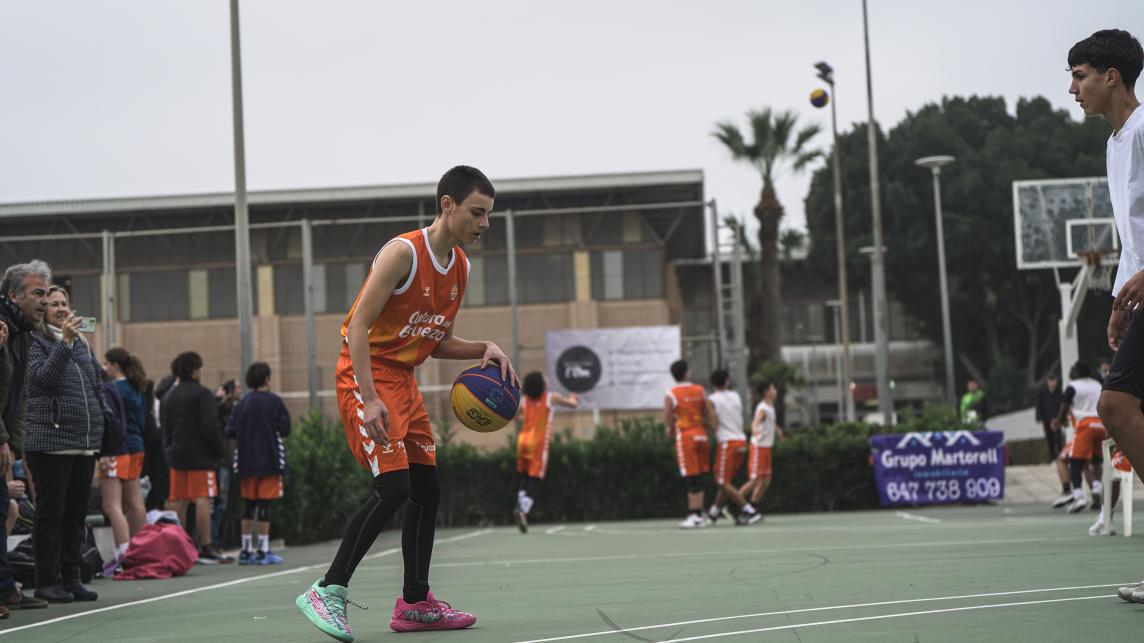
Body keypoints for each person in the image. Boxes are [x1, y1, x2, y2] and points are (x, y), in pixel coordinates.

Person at [296, 166, 511, 639]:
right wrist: (370, 398)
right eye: (478, 212)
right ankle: (327, 589)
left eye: (488, 215)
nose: (485, 223)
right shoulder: (403, 253)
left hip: (404, 381)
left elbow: (434, 341)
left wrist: (484, 348)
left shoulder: (461, 267)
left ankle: (415, 602)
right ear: (447, 205)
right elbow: (357, 326)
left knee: (426, 490)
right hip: (366, 374)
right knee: (392, 487)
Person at [1067, 29, 1144, 604]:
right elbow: (1132, 236)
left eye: (1080, 76)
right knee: (1119, 406)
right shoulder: (1116, 143)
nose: (1073, 89)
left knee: (1114, 405)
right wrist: (1120, 301)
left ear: (1110, 77)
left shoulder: (1143, 131)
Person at [23, 285, 104, 602]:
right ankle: (46, 580)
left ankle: (72, 577)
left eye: (64, 303)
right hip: (50, 441)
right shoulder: (34, 340)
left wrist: (103, 425)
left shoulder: (81, 342)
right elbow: (43, 380)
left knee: (75, 515)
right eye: (53, 303)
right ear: (43, 310)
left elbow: (96, 384)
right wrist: (65, 342)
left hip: (84, 442)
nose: (60, 308)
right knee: (50, 513)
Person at [0, 260, 53, 614]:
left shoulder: (23, 333)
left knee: (3, 508)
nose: (45, 301)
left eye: (46, 294)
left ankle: (5, 589)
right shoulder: (4, 328)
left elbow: (19, 396)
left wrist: (13, 445)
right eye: (38, 294)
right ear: (13, 296)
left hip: (4, 439)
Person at [162, 351, 230, 564]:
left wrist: (169, 450)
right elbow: (209, 427)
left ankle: (179, 545)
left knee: (179, 500)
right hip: (201, 456)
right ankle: (206, 546)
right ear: (194, 370)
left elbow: (166, 427)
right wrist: (218, 450)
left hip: (177, 454)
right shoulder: (202, 394)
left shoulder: (169, 395)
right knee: (204, 498)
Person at [226, 362, 290, 565]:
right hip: (270, 460)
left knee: (248, 504)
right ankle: (263, 550)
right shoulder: (274, 401)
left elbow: (230, 430)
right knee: (264, 504)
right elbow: (286, 429)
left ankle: (246, 550)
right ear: (267, 379)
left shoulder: (242, 403)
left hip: (245, 461)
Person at [513, 372, 578, 533]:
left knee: (525, 476)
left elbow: (515, 417)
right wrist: (573, 397)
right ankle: (523, 511)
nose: (547, 380)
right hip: (538, 443)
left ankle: (520, 505)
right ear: (541, 383)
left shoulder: (524, 400)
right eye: (545, 378)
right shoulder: (551, 398)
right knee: (535, 478)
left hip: (523, 441)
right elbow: (572, 405)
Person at [100, 348, 148, 562]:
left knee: (114, 505)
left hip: (119, 446)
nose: (105, 368)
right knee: (135, 502)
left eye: (107, 364)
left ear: (115, 365)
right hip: (137, 444)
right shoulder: (135, 386)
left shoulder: (114, 389)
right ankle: (141, 548)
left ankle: (124, 553)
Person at [704, 370, 761, 526]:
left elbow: (714, 425)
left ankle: (749, 510)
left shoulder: (711, 400)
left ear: (712, 383)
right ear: (728, 381)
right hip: (741, 441)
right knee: (726, 482)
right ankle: (713, 513)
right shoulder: (736, 396)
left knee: (722, 482)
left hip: (727, 443)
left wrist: (701, 421)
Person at [664, 359, 715, 529]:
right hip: (701, 435)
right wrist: (709, 426)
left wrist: (670, 428)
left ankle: (695, 515)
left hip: (686, 437)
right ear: (687, 373)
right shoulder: (700, 390)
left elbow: (668, 416)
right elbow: (706, 411)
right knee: (699, 476)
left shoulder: (671, 394)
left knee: (691, 478)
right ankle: (700, 512)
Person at [1058, 361, 1106, 514]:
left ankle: (1078, 495)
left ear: (1078, 372)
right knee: (1096, 460)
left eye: (1073, 369)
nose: (1071, 371)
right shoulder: (1097, 384)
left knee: (1075, 461)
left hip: (1085, 424)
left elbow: (1064, 407)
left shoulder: (1073, 386)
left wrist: (1060, 421)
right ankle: (1096, 489)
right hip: (1101, 424)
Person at [740, 381, 784, 510]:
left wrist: (778, 430)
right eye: (773, 388)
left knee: (766, 481)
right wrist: (755, 430)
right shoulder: (763, 408)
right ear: (766, 392)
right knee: (755, 480)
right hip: (758, 447)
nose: (775, 390)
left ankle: (752, 507)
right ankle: (734, 503)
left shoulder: (770, 407)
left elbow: (770, 422)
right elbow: (755, 422)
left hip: (766, 447)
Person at [212, 379, 240, 551]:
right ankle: (214, 538)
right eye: (236, 388)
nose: (239, 391)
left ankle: (225, 538)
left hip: (232, 461)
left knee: (229, 503)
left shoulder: (236, 408)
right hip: (223, 461)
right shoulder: (218, 408)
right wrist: (222, 401)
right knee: (220, 502)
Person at [1036, 374, 1065, 462]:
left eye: (1053, 381)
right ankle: (1053, 458)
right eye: (1050, 381)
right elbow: (1039, 405)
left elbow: (1063, 404)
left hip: (1057, 419)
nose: (1052, 383)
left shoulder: (1060, 391)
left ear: (1056, 381)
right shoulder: (1042, 392)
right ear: (1047, 382)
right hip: (1046, 419)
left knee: (1058, 438)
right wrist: (1039, 417)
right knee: (1049, 439)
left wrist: (1062, 417)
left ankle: (1060, 456)